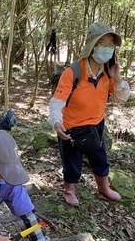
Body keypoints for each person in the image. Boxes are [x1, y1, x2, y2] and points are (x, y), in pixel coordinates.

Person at [48, 22, 130, 205]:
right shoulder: (73, 72)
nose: (107, 48)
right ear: (92, 45)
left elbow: (121, 98)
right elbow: (57, 102)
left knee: (100, 158)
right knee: (72, 162)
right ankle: (69, 190)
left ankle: (103, 187)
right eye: (102, 43)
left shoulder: (108, 73)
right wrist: (56, 123)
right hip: (71, 127)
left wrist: (117, 79)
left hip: (96, 124)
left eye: (111, 45)